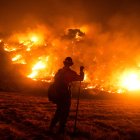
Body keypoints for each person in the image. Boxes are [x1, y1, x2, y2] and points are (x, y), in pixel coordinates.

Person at [49, 57, 84, 134]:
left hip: (58, 94)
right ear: (70, 64)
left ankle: (51, 127)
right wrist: (81, 71)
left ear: (64, 63)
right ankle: (61, 130)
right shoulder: (70, 73)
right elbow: (81, 78)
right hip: (65, 95)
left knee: (58, 111)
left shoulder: (59, 71)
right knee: (65, 112)